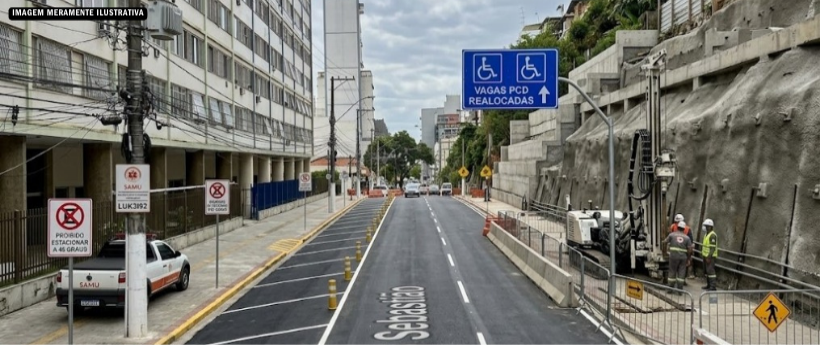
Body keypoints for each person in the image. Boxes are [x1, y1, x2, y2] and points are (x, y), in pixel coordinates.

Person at [665, 221, 693, 294]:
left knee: (672, 272)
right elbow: (690, 249)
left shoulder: (672, 235)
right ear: (684, 229)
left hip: (673, 257)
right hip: (683, 258)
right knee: (681, 272)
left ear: (677, 227)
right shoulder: (687, 238)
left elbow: (665, 242)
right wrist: (688, 258)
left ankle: (670, 289)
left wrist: (666, 251)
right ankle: (680, 290)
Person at [701, 219, 718, 290]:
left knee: (711, 271)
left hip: (710, 257)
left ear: (710, 227)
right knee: (707, 271)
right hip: (705, 255)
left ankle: (712, 286)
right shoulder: (706, 234)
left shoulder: (712, 235)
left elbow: (712, 248)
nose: (704, 227)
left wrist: (709, 257)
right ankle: (708, 285)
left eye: (706, 226)